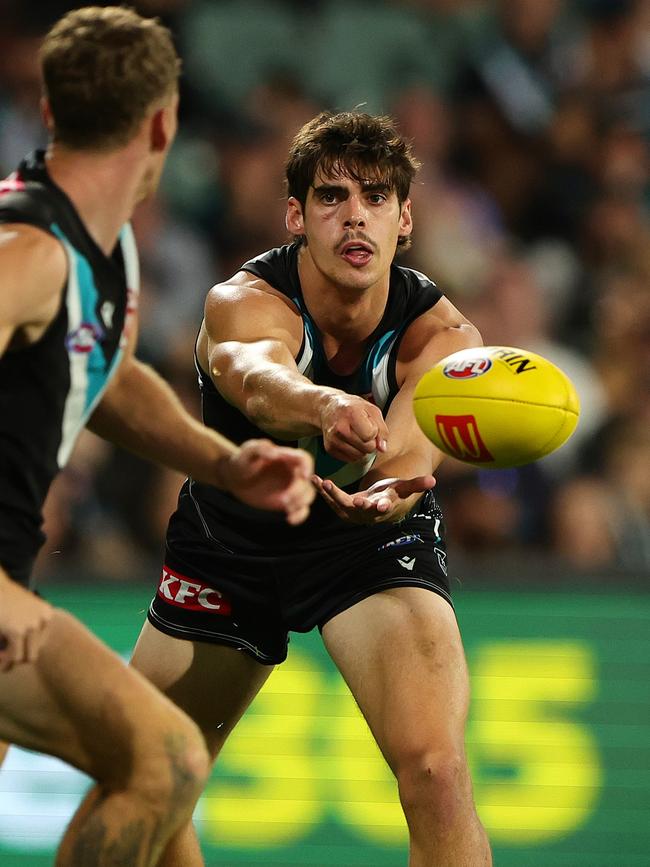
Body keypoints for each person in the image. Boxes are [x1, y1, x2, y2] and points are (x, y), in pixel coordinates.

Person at [131, 110, 492, 866]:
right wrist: (325, 405)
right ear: (295, 216)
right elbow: (256, 377)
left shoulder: (446, 337)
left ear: (406, 221)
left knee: (436, 769)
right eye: (331, 197)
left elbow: (408, 456)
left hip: (365, 541)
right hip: (231, 539)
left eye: (376, 197)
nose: (354, 215)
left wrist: (387, 490)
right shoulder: (241, 299)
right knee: (146, 775)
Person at [0, 7, 314, 866]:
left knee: (158, 778)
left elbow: (105, 374)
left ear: (52, 109)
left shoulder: (97, 246)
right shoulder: (27, 251)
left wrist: (225, 462)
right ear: (164, 122)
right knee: (165, 759)